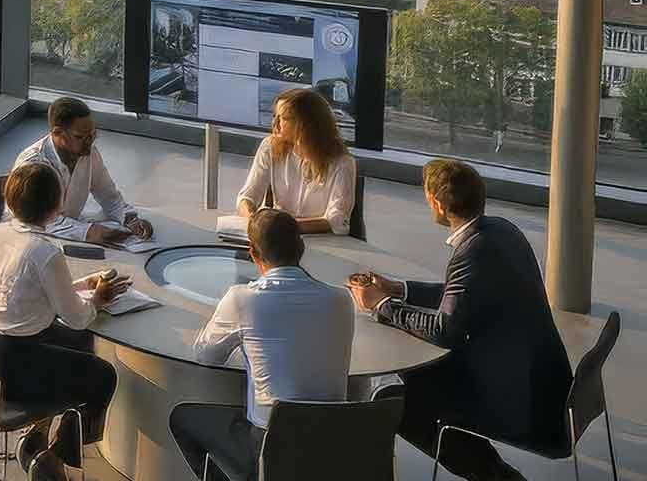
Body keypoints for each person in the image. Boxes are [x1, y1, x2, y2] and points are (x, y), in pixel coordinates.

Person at [347, 159, 570, 481]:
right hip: (538, 375)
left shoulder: (473, 250)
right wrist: (400, 289)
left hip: (516, 395)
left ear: (437, 204)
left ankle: (495, 476)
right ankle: (492, 470)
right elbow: (464, 294)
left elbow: (445, 330)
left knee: (395, 402)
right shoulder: (501, 230)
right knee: (417, 378)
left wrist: (382, 305)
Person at [169, 209, 355, 480]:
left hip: (270, 444)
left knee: (183, 417)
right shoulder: (342, 300)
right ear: (301, 247)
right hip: (332, 444)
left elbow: (207, 355)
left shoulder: (243, 299)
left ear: (253, 253)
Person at [0, 162, 125, 481]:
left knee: (82, 346)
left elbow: (25, 290)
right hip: (19, 362)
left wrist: (79, 285)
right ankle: (54, 457)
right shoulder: (46, 253)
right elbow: (78, 318)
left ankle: (38, 432)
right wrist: (97, 299)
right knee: (103, 376)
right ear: (56, 208)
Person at [14, 97, 154, 244]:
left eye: (92, 135)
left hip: (68, 236)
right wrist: (88, 232)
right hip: (28, 240)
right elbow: (36, 220)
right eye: (80, 137)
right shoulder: (32, 165)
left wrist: (129, 219)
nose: (89, 143)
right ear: (57, 133)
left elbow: (108, 195)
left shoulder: (88, 153)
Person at [235, 87, 357, 235]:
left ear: (306, 124)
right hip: (276, 240)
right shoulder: (270, 147)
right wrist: (255, 222)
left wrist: (286, 228)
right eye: (275, 116)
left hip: (321, 241)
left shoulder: (342, 163)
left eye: (284, 118)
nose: (275, 123)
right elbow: (246, 197)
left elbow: (337, 219)